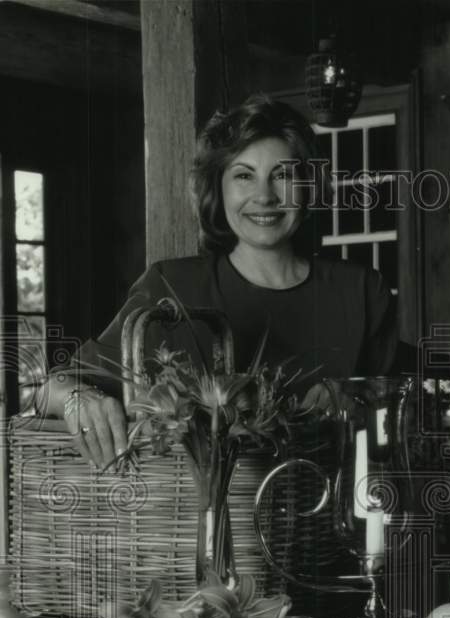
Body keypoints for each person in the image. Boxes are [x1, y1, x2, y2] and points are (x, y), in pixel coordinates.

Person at [35, 95, 398, 468]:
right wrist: (77, 401)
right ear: (217, 189)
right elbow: (50, 389)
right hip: (196, 520)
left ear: (308, 184)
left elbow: (406, 410)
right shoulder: (170, 285)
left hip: (331, 518)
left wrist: (354, 397)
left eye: (283, 174)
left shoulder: (362, 291)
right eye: (244, 175)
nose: (265, 196)